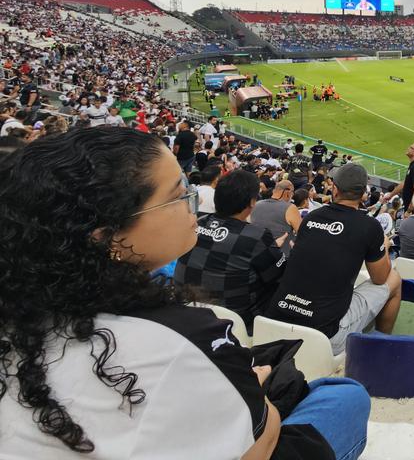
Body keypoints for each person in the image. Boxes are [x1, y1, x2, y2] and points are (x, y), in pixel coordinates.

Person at [0, 127, 371, 460]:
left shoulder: (25, 313)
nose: (191, 205)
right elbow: (259, 444)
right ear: (107, 235)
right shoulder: (186, 336)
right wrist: (259, 396)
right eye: (177, 197)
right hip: (250, 424)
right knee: (341, 395)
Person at [268, 163, 402, 354]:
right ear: (363, 195)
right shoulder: (369, 226)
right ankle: (381, 347)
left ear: (335, 189)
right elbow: (380, 278)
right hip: (324, 336)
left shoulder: (311, 217)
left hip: (275, 322)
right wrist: (384, 247)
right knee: (394, 278)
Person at [174, 169, 287, 330]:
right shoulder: (257, 236)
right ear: (252, 202)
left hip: (184, 312)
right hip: (233, 324)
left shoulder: (196, 222)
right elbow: (278, 275)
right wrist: (272, 249)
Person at [251, 179, 303, 255]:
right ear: (287, 192)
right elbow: (302, 232)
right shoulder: (290, 208)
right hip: (280, 255)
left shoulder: (256, 204)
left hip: (256, 252)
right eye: (292, 192)